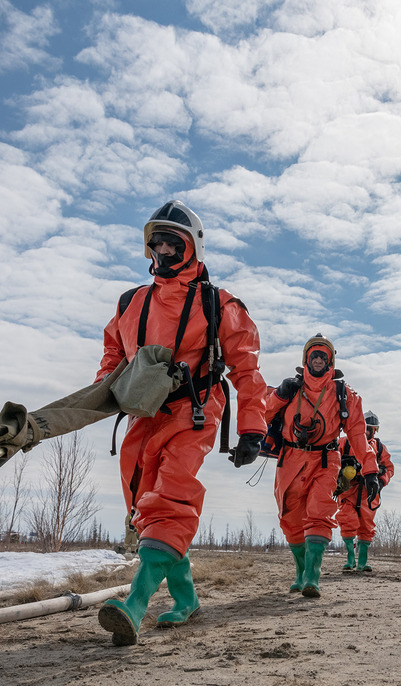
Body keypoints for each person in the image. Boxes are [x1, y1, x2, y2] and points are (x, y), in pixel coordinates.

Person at [95, 200, 268, 645]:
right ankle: (186, 598)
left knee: (170, 496)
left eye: (176, 242)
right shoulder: (131, 302)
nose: (166, 251)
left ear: (194, 248)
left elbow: (247, 370)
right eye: (158, 243)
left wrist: (253, 427)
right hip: (141, 416)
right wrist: (105, 393)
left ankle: (133, 606)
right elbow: (113, 353)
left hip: (193, 412)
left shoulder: (219, 303)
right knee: (145, 508)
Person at [267, 334, 380, 597]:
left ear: (330, 361)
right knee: (290, 520)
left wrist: (371, 470)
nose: (318, 359)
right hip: (290, 461)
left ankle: (313, 577)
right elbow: (261, 413)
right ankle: (301, 572)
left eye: (323, 355)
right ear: (305, 360)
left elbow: (357, 435)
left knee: (319, 511)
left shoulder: (345, 395)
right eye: (313, 355)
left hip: (326, 460)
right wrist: (277, 397)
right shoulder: (289, 390)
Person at [334, 410, 394, 572]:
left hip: (369, 493)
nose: (367, 431)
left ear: (375, 430)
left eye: (371, 429)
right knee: (347, 520)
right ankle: (350, 558)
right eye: (365, 428)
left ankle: (362, 562)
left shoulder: (380, 448)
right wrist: (341, 470)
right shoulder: (344, 443)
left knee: (366, 526)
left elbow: (389, 469)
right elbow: (330, 458)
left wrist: (381, 482)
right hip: (348, 490)